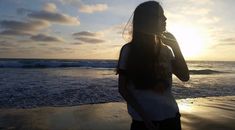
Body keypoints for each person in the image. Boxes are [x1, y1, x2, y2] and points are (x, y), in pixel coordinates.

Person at [117, 1, 189, 130]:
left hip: (171, 118)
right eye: (160, 15)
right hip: (143, 122)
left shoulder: (166, 50)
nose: (165, 18)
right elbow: (123, 89)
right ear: (147, 20)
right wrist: (145, 119)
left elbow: (184, 76)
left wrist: (176, 47)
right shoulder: (129, 50)